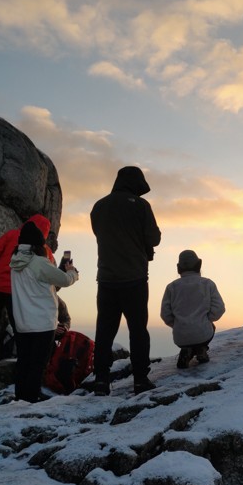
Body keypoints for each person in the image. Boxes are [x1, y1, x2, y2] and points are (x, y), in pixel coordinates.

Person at [90, 165, 161, 396]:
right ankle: (140, 379)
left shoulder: (99, 207)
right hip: (134, 278)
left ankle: (101, 380)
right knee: (138, 330)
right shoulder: (141, 206)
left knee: (104, 330)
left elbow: (100, 234)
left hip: (107, 278)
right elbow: (154, 237)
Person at [0, 214, 54, 370]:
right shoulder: (44, 250)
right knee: (20, 327)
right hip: (18, 292)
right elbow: (49, 274)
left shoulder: (11, 235)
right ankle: (23, 359)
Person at [10, 221, 78, 403]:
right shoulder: (39, 262)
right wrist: (72, 272)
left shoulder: (15, 262)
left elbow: (41, 281)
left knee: (24, 361)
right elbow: (63, 280)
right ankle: (31, 397)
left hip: (23, 321)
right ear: (38, 243)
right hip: (42, 321)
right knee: (38, 364)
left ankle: (21, 397)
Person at [161, 250, 226, 369]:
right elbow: (219, 308)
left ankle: (187, 350)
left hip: (180, 336)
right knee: (211, 327)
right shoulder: (207, 284)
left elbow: (165, 314)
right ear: (199, 265)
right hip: (203, 333)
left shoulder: (171, 287)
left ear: (178, 268)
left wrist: (177, 324)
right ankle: (201, 349)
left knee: (187, 337)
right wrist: (207, 320)